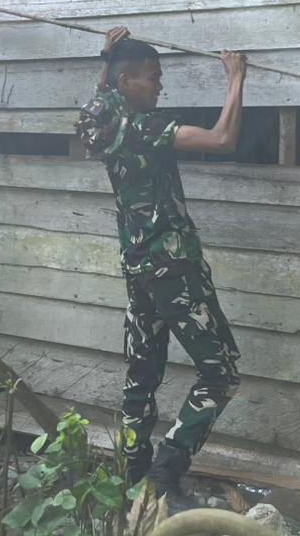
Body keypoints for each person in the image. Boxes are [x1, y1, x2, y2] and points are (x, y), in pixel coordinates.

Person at [75, 27, 246, 512]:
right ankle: (164, 475)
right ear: (127, 82)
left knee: (142, 374)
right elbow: (222, 138)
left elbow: (98, 100)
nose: (159, 85)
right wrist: (235, 77)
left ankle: (132, 481)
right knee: (221, 373)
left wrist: (107, 56)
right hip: (174, 267)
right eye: (152, 77)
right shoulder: (145, 128)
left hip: (139, 269)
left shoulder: (98, 125)